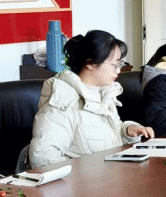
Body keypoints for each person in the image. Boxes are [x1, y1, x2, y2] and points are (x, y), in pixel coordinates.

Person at [29, 30, 154, 168]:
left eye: (120, 64)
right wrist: (85, 175)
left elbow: (106, 136)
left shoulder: (103, 92)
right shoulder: (63, 100)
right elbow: (42, 158)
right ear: (91, 63)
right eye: (114, 65)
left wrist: (128, 130)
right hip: (84, 180)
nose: (118, 70)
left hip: (110, 175)